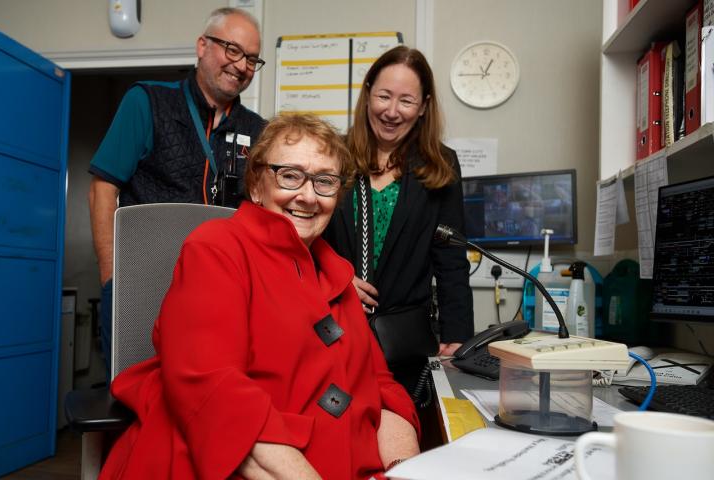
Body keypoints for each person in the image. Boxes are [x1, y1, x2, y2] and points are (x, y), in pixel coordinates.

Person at [98, 114, 420, 480]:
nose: (308, 196)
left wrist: (402, 469)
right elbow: (216, 392)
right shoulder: (216, 249)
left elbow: (381, 387)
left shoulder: (337, 274)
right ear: (256, 186)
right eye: (290, 175)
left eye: (325, 181)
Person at [88, 7, 266, 377]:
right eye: (232, 50)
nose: (241, 65)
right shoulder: (147, 102)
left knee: (208, 402)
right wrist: (111, 281)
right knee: (133, 402)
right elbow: (103, 189)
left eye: (251, 58)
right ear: (202, 46)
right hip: (143, 286)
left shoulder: (258, 130)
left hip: (219, 295)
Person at [324, 46, 474, 391]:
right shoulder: (333, 156)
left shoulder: (442, 165)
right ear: (367, 96)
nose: (392, 112)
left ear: (423, 107)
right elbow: (303, 242)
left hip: (404, 345)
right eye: (384, 96)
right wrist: (334, 278)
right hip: (333, 331)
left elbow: (451, 259)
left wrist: (457, 334)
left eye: (406, 101)